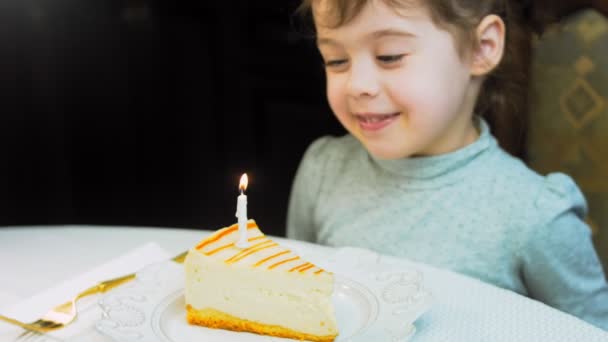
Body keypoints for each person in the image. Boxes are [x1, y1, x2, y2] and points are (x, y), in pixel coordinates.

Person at [286, 0, 608, 330]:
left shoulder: (536, 213)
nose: (357, 85)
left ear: (482, 48)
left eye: (390, 56)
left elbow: (591, 333)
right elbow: (300, 304)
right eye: (337, 60)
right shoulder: (322, 171)